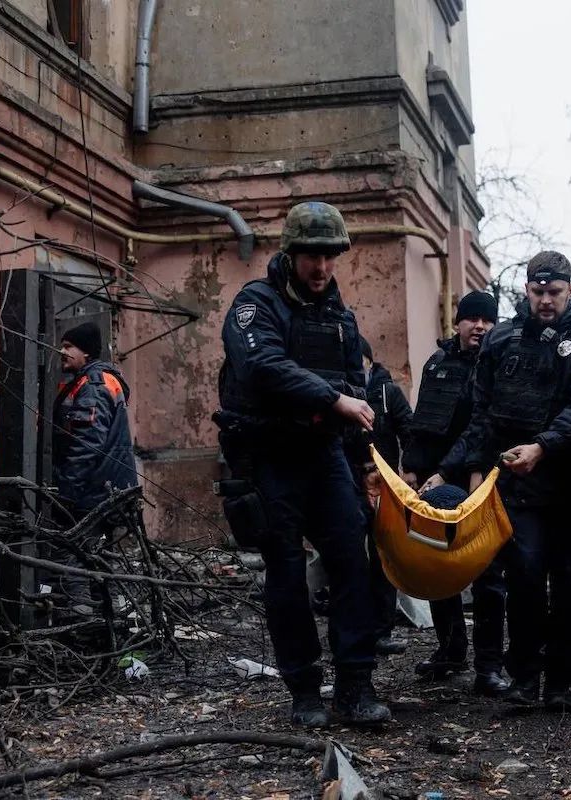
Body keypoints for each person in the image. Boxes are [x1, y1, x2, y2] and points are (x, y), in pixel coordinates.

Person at [215, 200, 390, 728]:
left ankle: (356, 685)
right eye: (312, 255)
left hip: (325, 455)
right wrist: (331, 400)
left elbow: (358, 393)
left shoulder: (339, 316)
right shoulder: (256, 305)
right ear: (291, 254)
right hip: (270, 458)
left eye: (330, 256)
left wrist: (365, 468)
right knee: (287, 575)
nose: (321, 267)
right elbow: (262, 367)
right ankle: (305, 691)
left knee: (353, 564)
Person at [422, 251, 571, 710]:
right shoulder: (503, 340)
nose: (546, 301)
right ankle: (525, 677)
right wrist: (446, 469)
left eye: (554, 292)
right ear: (525, 289)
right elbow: (481, 415)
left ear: (570, 289)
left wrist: (543, 446)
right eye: (538, 291)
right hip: (518, 487)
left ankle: (563, 681)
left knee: (569, 584)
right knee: (524, 581)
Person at [401, 290, 508, 696]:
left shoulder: (498, 363)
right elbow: (422, 418)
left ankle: (489, 665)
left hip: (475, 480)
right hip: (432, 481)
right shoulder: (437, 363)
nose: (479, 326)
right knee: (436, 567)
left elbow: (483, 427)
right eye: (471, 319)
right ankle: (450, 649)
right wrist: (412, 466)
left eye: (487, 320)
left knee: (487, 574)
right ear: (458, 323)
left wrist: (449, 472)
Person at [51, 321, 139, 616]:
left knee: (74, 552)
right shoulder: (99, 380)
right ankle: (110, 620)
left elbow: (87, 443)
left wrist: (67, 490)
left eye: (67, 347)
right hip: (107, 488)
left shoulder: (94, 384)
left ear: (85, 352)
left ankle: (82, 622)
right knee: (101, 554)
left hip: (92, 490)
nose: (61, 351)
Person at [357, 336, 413, 655]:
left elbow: (410, 430)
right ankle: (357, 626)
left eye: (359, 362)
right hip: (351, 485)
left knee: (383, 557)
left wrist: (409, 470)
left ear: (369, 361)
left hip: (385, 488)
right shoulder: (340, 392)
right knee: (351, 555)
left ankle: (382, 629)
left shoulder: (387, 393)